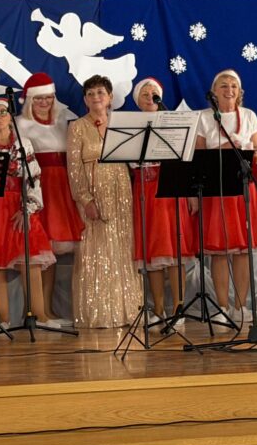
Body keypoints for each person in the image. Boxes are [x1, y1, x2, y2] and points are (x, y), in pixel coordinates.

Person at [195, 69, 257, 325]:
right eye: (224, 86)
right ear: (214, 92)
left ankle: (240, 306)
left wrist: (250, 151)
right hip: (217, 186)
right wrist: (220, 149)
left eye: (233, 86)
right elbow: (198, 155)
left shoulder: (248, 115)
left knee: (244, 250)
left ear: (240, 91)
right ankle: (222, 307)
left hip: (244, 183)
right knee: (220, 250)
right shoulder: (203, 117)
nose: (229, 90)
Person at [0, 97, 57, 328]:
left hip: (18, 206)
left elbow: (34, 178)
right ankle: (4, 320)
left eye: (2, 112)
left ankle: (40, 317)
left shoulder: (23, 144)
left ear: (10, 117)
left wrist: (27, 209)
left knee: (31, 262)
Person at [66, 75, 141, 328]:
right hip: (94, 191)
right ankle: (98, 313)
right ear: (85, 100)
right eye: (90, 93)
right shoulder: (77, 127)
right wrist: (85, 198)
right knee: (95, 250)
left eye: (100, 92)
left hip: (121, 189)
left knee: (122, 247)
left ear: (110, 97)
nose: (95, 97)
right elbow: (74, 168)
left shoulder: (121, 124)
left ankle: (126, 310)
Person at [15, 72, 83, 324]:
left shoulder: (63, 120)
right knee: (38, 251)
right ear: (29, 100)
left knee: (51, 254)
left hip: (61, 188)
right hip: (38, 188)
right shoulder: (20, 124)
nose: (44, 103)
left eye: (48, 98)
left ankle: (47, 310)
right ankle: (34, 311)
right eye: (38, 98)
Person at [130, 77, 194, 324]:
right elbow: (129, 161)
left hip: (170, 187)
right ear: (137, 100)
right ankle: (157, 308)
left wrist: (189, 193)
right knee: (153, 252)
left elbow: (183, 158)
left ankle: (178, 307)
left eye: (154, 94)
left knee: (174, 249)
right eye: (145, 94)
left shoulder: (171, 123)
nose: (150, 98)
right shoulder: (131, 125)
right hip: (145, 189)